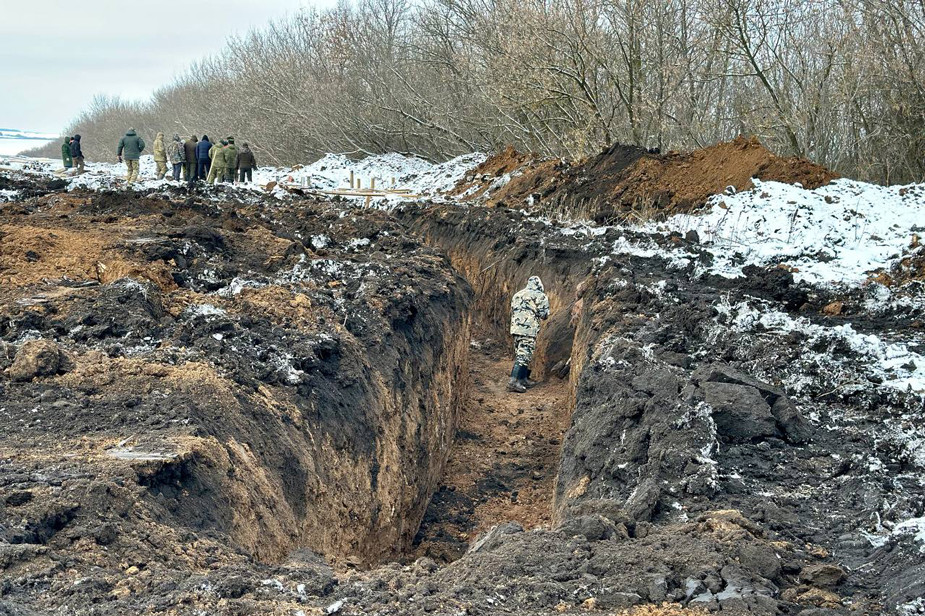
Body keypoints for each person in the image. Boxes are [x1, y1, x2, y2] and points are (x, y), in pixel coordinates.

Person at [508, 276, 550, 393]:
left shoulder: (517, 294)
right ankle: (513, 382)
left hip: (515, 328)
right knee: (524, 355)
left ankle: (523, 379)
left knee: (521, 353)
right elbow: (544, 314)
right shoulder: (540, 296)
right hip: (528, 330)